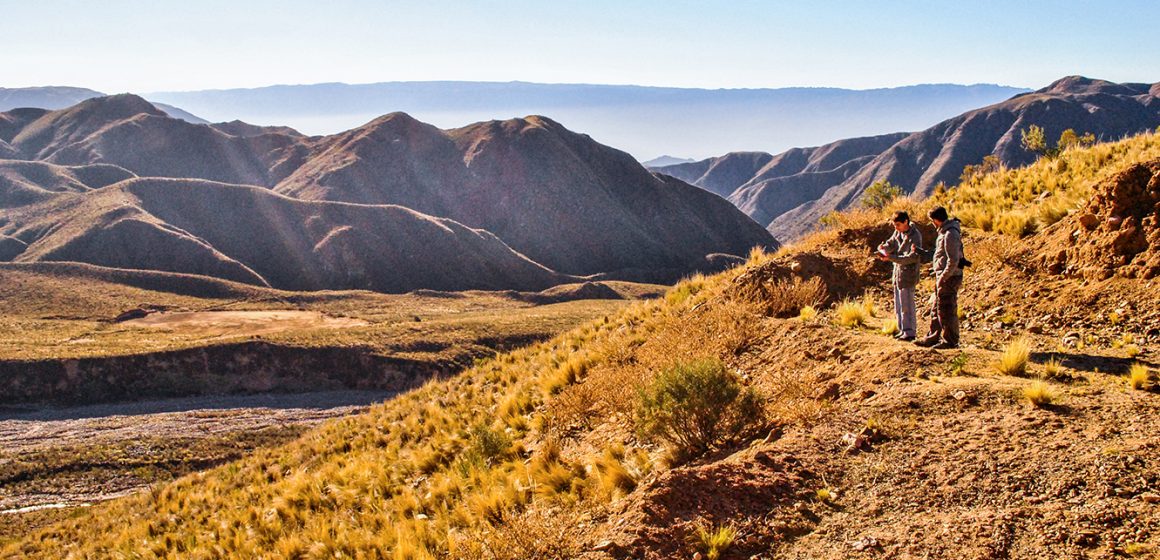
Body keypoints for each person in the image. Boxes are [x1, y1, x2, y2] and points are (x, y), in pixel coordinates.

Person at [915, 206, 963, 349]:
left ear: (935, 220)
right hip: (943, 275)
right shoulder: (944, 232)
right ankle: (933, 336)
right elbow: (941, 255)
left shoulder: (950, 234)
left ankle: (950, 341)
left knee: (947, 308)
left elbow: (953, 260)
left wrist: (943, 276)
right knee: (937, 307)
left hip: (950, 277)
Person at [876, 211, 922, 341]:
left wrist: (891, 258)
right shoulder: (898, 232)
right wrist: (883, 248)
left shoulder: (915, 236)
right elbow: (891, 243)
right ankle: (902, 329)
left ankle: (910, 332)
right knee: (899, 303)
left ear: (906, 222)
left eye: (898, 225)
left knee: (907, 304)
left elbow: (912, 257)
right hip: (898, 273)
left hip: (908, 274)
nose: (896, 228)